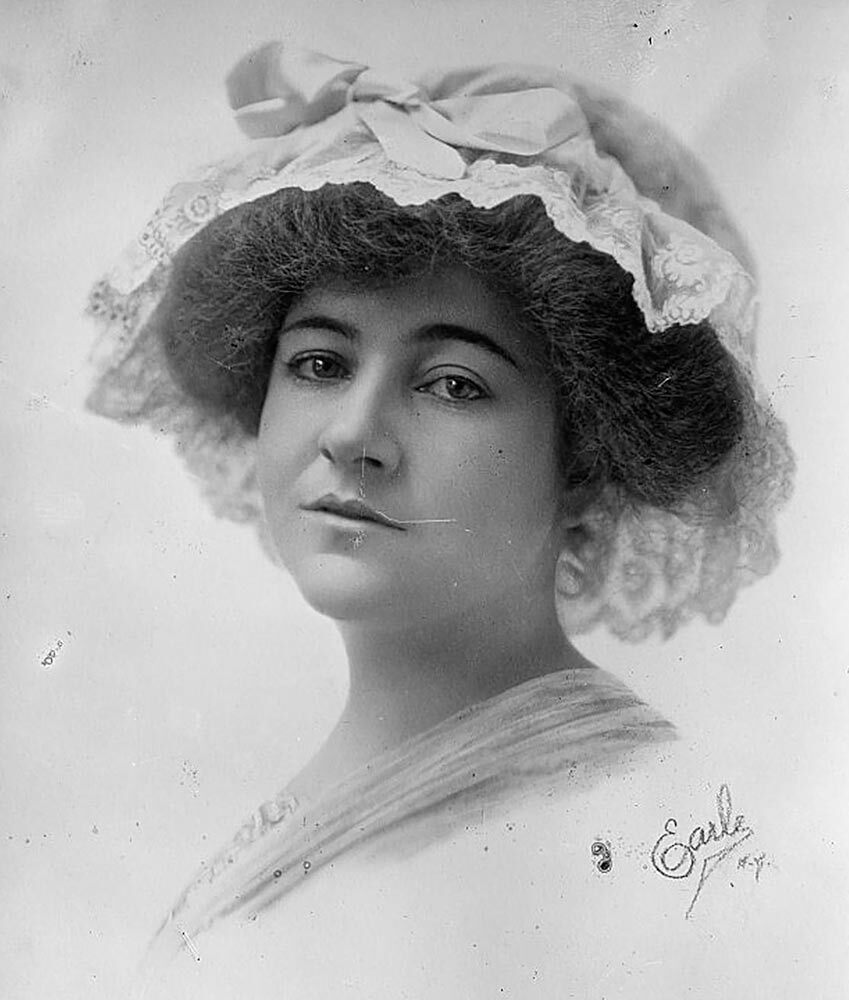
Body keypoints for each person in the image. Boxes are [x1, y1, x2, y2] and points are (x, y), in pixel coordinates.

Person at [85, 42, 793, 998]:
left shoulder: (607, 818)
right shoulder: (344, 776)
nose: (353, 436)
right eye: (321, 364)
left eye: (453, 384)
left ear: (584, 464)